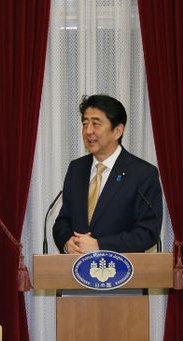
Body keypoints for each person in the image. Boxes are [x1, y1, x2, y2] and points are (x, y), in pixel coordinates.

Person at [53, 94, 163, 254]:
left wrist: (100, 245)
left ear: (117, 131)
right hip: (76, 270)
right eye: (85, 123)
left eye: (96, 124)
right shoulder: (77, 169)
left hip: (122, 273)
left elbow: (148, 232)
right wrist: (67, 242)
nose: (88, 131)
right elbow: (63, 220)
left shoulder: (143, 173)